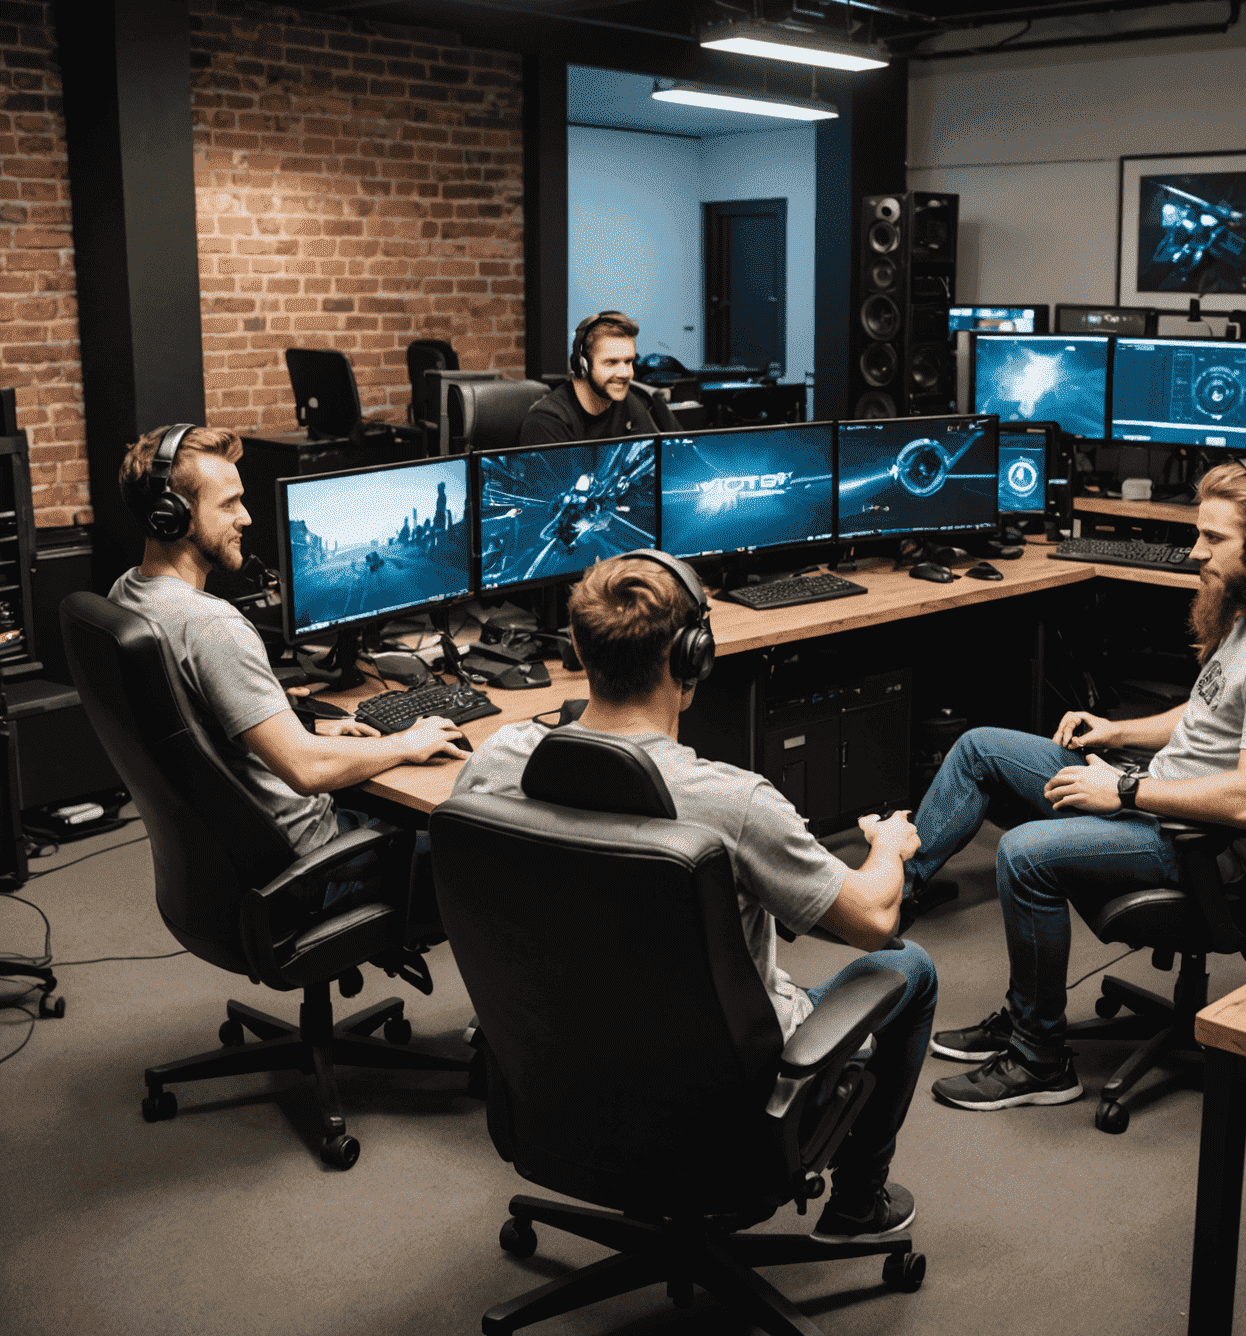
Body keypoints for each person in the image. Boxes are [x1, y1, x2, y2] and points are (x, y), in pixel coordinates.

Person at [451, 550, 937, 1241]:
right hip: (724, 1123)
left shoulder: (497, 760)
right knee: (910, 967)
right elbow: (871, 921)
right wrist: (888, 846)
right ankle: (859, 1202)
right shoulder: (735, 805)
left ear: (579, 650)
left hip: (562, 1088)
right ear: (694, 657)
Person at [910, 457, 1246, 1112]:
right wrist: (1117, 734)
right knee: (981, 748)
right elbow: (1209, 711)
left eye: (1214, 539)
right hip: (1164, 793)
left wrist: (1122, 792)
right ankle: (891, 900)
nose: (1196, 552)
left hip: (1206, 841)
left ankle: (1039, 1057)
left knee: (1024, 854)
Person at [111, 424, 469, 914]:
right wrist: (406, 741)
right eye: (229, 504)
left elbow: (203, 731)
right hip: (319, 866)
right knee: (495, 846)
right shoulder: (211, 624)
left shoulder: (127, 596)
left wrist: (315, 729)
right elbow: (304, 769)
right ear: (172, 517)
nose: (247, 517)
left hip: (232, 860)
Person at [519, 311, 681, 446]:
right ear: (584, 364)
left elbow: (688, 460)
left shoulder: (642, 402)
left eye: (628, 361)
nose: (625, 373)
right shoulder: (547, 422)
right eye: (611, 362)